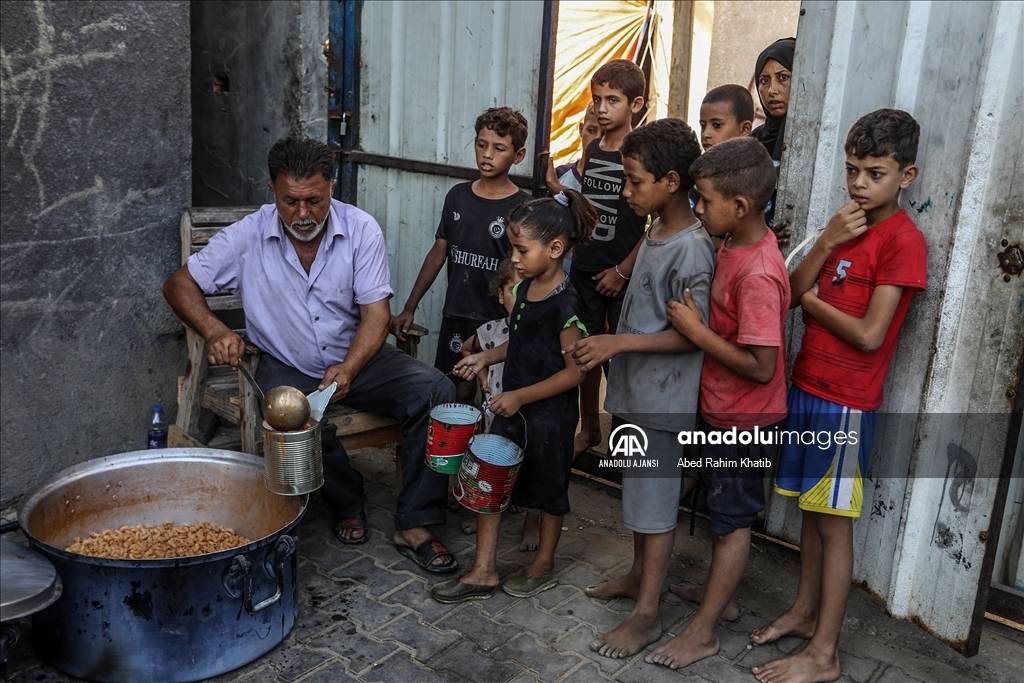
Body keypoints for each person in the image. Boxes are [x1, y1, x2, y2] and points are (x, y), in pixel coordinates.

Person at [163, 137, 459, 573]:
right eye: (291, 202)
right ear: (273, 191)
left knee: (438, 392)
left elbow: (377, 317)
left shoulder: (361, 229)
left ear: (332, 189)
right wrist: (215, 330)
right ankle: (347, 501)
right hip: (288, 361)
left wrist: (351, 367)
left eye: (314, 202)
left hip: (360, 355)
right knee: (294, 418)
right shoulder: (248, 235)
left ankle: (415, 521)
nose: (303, 214)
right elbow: (178, 285)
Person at [752, 109, 927, 683]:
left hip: (846, 403)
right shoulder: (845, 225)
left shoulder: (903, 241)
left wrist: (814, 308)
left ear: (907, 176)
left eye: (874, 173)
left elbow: (872, 334)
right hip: (809, 385)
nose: (858, 184)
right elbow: (791, 289)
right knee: (810, 508)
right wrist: (826, 240)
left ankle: (824, 655)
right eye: (852, 170)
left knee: (834, 523)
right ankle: (804, 614)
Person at [567, 119, 713, 659]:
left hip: (664, 402)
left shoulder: (692, 251)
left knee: (656, 505)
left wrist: (617, 344)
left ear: (671, 181)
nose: (626, 192)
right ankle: (635, 577)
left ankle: (648, 613)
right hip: (639, 394)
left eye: (634, 182)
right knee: (640, 494)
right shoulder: (656, 231)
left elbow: (690, 338)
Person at [654, 137, 790, 670]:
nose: (697, 208)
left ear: (740, 206)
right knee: (716, 509)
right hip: (719, 409)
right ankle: (724, 601)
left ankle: (704, 632)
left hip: (746, 419)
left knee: (732, 523)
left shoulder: (758, 270)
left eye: (704, 200)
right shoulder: (731, 242)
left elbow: (762, 366)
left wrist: (694, 330)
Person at [431, 190, 596, 603]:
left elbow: (575, 372)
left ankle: (542, 564)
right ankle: (483, 570)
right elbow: (518, 344)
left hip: (548, 416)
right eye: (513, 248)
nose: (515, 259)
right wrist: (485, 355)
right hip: (513, 406)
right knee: (490, 479)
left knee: (548, 489)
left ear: (556, 249)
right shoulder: (523, 293)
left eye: (522, 249)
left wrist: (521, 396)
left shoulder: (567, 306)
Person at [392, 108, 531, 400]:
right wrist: (409, 306)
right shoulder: (457, 196)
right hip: (457, 313)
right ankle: (457, 446)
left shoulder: (523, 207)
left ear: (518, 155)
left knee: (498, 393)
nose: (487, 154)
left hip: (500, 318)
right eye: (481, 145)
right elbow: (438, 252)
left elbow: (529, 269)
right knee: (457, 389)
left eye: (499, 148)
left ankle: (489, 446)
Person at [572, 59, 649, 458]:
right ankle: (589, 429)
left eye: (612, 100)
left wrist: (622, 271)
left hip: (622, 277)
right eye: (597, 100)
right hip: (585, 270)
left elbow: (654, 224)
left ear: (635, 104)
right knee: (584, 354)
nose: (602, 109)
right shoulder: (592, 148)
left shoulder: (641, 155)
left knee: (618, 359)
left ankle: (624, 441)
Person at [458, 259, 541, 552]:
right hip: (496, 409)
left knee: (533, 465)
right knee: (492, 463)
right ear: (500, 295)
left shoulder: (540, 330)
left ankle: (532, 522)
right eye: (512, 290)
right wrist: (481, 377)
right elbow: (468, 348)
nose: (519, 296)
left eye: (525, 289)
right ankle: (488, 511)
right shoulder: (492, 331)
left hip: (530, 411)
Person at [752, 38, 796, 164]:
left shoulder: (817, 136)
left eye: (783, 78)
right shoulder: (753, 142)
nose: (772, 90)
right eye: (764, 81)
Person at [546, 103, 602, 193]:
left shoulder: (619, 182)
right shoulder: (559, 174)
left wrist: (557, 188)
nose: (597, 139)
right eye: (591, 130)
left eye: (605, 134)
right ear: (581, 129)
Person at [698, 84, 755, 152]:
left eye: (717, 125)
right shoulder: (702, 162)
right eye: (703, 126)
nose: (705, 134)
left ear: (744, 129)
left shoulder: (757, 162)